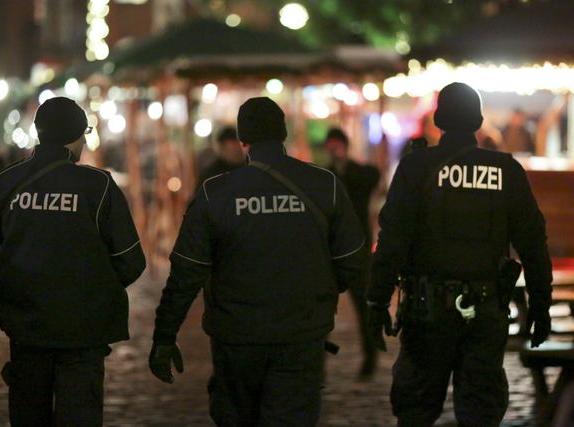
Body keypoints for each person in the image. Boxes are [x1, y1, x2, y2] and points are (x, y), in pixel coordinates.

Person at [149, 97, 365, 426]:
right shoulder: (325, 185)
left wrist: (164, 335)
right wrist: (319, 292)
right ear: (283, 134)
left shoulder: (215, 193)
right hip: (301, 334)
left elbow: (186, 273)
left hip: (236, 339)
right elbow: (352, 260)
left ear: (242, 139)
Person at [367, 82, 553, 427]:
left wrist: (376, 302)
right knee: (481, 412)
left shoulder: (416, 167)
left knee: (416, 411)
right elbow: (534, 244)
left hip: (427, 312)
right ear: (478, 120)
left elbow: (392, 241)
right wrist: (540, 305)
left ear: (438, 120)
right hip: (485, 312)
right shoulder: (506, 171)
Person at [0, 97, 146, 427]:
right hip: (83, 335)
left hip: (26, 330)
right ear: (75, 138)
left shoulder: (5, 184)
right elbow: (131, 261)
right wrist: (92, 290)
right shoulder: (98, 187)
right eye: (84, 135)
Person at [324, 127, 381, 378]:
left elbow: (373, 176)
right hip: (331, 250)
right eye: (332, 144)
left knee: (363, 307)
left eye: (338, 144)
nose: (335, 149)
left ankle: (370, 356)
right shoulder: (325, 176)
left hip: (357, 249)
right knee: (322, 309)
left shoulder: (359, 172)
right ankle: (316, 363)